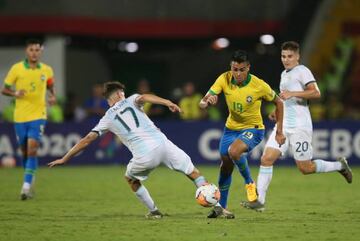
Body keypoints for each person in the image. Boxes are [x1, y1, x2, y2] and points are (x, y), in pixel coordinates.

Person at [48, 81, 209, 219]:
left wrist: (65, 158)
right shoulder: (132, 99)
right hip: (163, 143)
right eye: (122, 93)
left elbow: (87, 139)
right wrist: (168, 102)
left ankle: (154, 211)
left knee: (130, 178)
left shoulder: (107, 118)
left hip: (145, 154)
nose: (124, 94)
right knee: (193, 172)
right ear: (118, 94)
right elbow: (145, 97)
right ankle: (216, 206)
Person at [241, 41, 353, 212]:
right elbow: (285, 99)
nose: (286, 60)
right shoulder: (284, 74)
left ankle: (340, 166)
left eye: (290, 56)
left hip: (301, 127)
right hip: (284, 125)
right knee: (266, 159)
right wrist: (276, 112)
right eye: (283, 56)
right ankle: (260, 201)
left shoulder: (302, 71)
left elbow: (316, 92)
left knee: (305, 168)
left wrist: (293, 93)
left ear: (297, 56)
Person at [199, 50, 285, 218]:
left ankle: (249, 183)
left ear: (248, 68)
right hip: (230, 129)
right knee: (225, 166)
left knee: (234, 151)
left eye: (241, 69)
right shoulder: (224, 78)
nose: (237, 73)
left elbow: (279, 102)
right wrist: (208, 101)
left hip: (253, 128)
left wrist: (279, 131)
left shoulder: (259, 85)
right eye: (234, 69)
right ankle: (220, 208)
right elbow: (202, 102)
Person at [1, 39, 56, 200]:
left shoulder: (47, 70)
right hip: (20, 116)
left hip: (38, 115)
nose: (34, 52)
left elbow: (51, 86)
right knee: (25, 152)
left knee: (32, 149)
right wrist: (15, 94)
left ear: (40, 52)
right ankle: (30, 179)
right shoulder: (16, 68)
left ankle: (25, 188)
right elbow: (4, 89)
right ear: (26, 51)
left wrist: (52, 96)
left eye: (37, 50)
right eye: (31, 49)